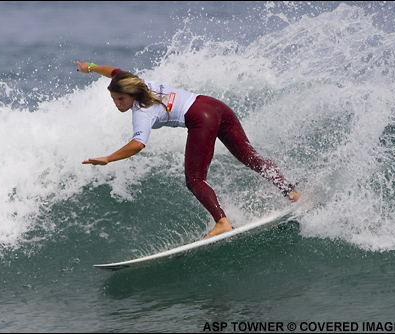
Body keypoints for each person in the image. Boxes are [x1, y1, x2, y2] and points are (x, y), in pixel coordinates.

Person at [76, 60, 301, 239]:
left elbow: (138, 144)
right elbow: (115, 71)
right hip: (216, 106)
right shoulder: (138, 83)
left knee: (194, 180)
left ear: (132, 95)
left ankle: (222, 222)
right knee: (250, 157)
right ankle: (291, 192)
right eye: (114, 99)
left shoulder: (142, 111)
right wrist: (92, 68)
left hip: (200, 118)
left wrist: (108, 158)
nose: (117, 103)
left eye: (120, 99)